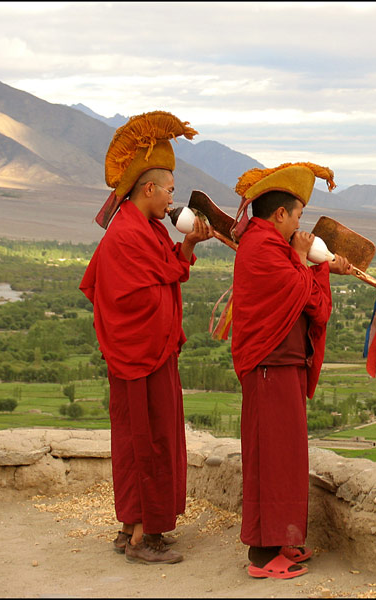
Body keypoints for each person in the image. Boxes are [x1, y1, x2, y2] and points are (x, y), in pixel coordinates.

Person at [80, 111, 215, 565]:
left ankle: (132, 526)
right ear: (149, 188)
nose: (174, 199)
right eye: (171, 189)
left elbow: (169, 271)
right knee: (147, 439)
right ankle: (143, 537)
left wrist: (191, 245)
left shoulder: (147, 228)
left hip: (150, 355)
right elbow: (132, 299)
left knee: (145, 437)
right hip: (140, 354)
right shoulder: (126, 235)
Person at [227, 163, 352, 579]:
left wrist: (319, 265)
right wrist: (305, 259)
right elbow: (303, 295)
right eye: (298, 216)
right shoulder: (261, 248)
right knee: (269, 458)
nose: (302, 226)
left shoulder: (275, 248)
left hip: (282, 366)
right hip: (268, 367)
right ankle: (262, 557)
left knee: (286, 457)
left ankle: (281, 539)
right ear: (280, 215)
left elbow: (311, 298)